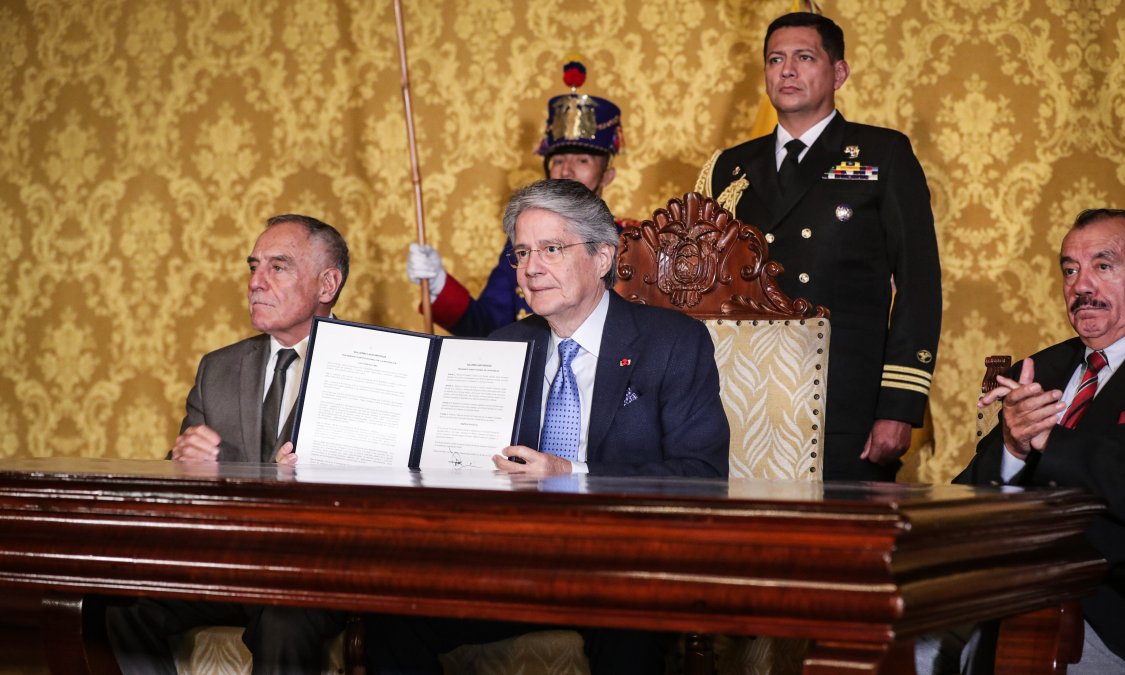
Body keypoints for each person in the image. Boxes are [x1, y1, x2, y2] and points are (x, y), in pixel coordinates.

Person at [366, 179, 730, 673]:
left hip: (624, 564)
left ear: (602, 257)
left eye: (552, 249)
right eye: (522, 253)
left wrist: (569, 472)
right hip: (513, 562)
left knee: (631, 638)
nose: (532, 269)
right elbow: (444, 458)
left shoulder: (673, 343)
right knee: (391, 615)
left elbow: (702, 477)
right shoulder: (501, 346)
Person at [945, 209, 1125, 673]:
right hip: (1003, 594)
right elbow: (966, 498)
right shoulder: (1037, 371)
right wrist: (1012, 447)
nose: (1081, 285)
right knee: (880, 644)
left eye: (1103, 266)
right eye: (1069, 269)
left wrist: (1054, 441)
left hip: (1121, 610)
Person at [695, 11, 941, 481]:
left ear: (839, 73)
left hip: (843, 399)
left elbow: (919, 286)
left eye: (804, 57)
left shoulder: (881, 154)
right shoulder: (729, 167)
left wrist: (900, 406)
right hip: (741, 397)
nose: (786, 70)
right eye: (775, 59)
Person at [106, 214, 350, 675]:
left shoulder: (370, 366)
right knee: (121, 607)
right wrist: (183, 466)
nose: (256, 282)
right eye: (253, 266)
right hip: (227, 565)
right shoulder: (217, 368)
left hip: (314, 572)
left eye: (278, 267)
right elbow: (176, 480)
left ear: (327, 284)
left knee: (285, 619)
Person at [408, 59, 631, 337]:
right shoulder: (522, 243)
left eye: (582, 160)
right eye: (558, 159)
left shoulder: (633, 243)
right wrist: (438, 283)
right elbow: (488, 329)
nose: (567, 170)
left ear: (608, 175)